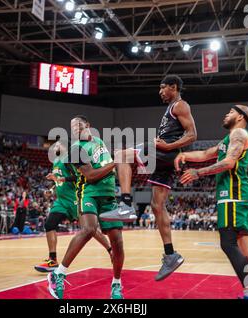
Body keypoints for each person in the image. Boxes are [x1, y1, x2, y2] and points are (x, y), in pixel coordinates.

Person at [177, 104, 248, 299]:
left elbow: (229, 163)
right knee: (245, 251)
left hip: (232, 195)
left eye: (231, 112)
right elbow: (204, 154)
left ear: (241, 116)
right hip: (236, 196)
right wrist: (184, 155)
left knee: (228, 244)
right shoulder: (229, 138)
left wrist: (197, 172)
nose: (227, 114)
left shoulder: (239, 134)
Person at [100, 75, 197, 281]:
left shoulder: (180, 105)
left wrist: (167, 146)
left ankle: (125, 203)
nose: (160, 91)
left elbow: (192, 135)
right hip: (166, 158)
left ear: (174, 87)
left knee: (120, 154)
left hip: (164, 153)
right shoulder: (171, 107)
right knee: (157, 205)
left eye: (163, 88)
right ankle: (171, 254)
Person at [47, 115, 125, 299]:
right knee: (89, 229)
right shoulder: (75, 150)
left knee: (118, 244)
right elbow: (90, 176)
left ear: (88, 125)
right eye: (72, 127)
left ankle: (116, 284)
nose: (75, 129)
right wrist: (116, 161)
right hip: (88, 193)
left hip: (109, 196)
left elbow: (109, 166)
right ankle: (59, 272)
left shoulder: (99, 142)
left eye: (78, 125)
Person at [35, 141, 113, 273]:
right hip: (61, 202)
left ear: (64, 146)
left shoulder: (69, 159)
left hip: (74, 199)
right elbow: (59, 180)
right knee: (49, 224)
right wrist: (52, 190)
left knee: (90, 229)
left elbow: (77, 176)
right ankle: (52, 260)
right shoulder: (56, 162)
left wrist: (62, 179)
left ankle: (110, 249)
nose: (55, 146)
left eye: (58, 144)